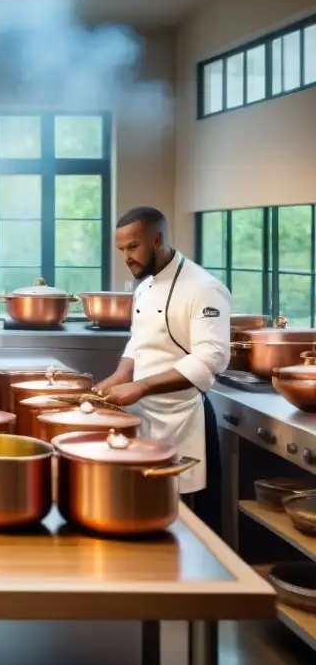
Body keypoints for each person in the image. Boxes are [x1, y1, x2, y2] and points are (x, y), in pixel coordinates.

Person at [94, 206, 231, 535]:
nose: (126, 257)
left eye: (133, 246)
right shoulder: (143, 285)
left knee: (187, 526)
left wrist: (140, 387)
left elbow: (210, 358)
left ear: (157, 239)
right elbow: (138, 342)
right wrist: (119, 378)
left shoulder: (204, 288)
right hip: (145, 418)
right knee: (147, 514)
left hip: (183, 420)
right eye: (122, 249)